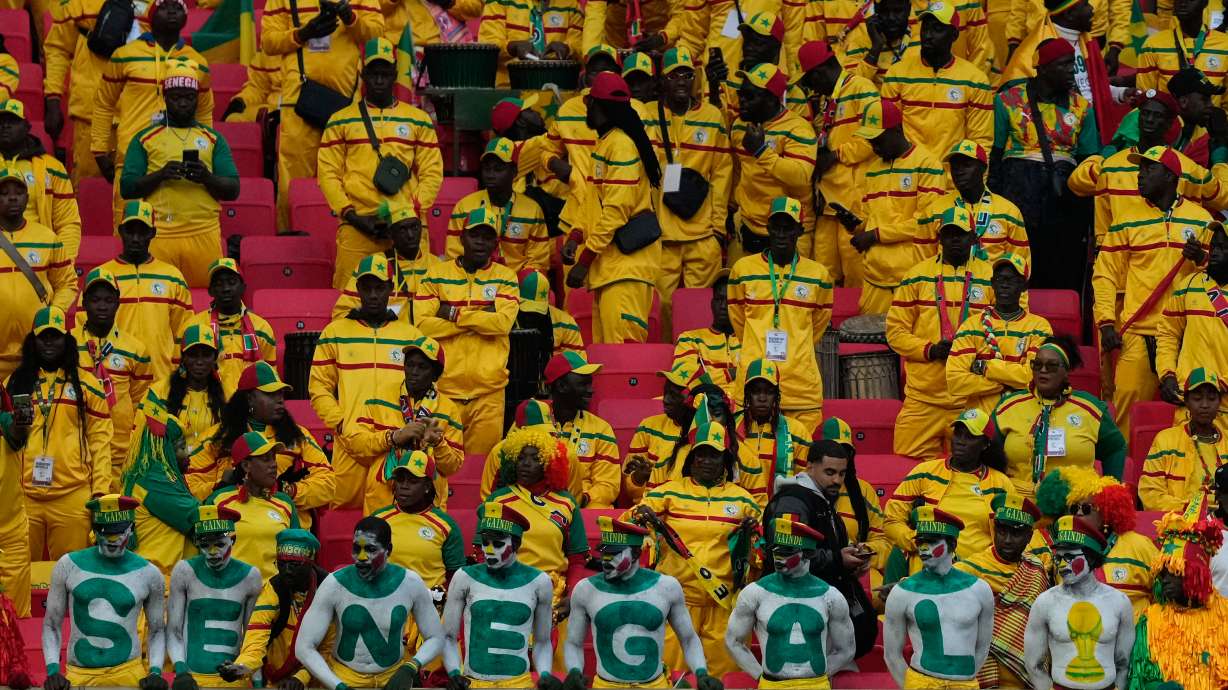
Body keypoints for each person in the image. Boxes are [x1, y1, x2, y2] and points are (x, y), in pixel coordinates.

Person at [1093, 145, 1216, 438]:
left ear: (1171, 176)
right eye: (1140, 168)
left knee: (1188, 415)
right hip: (1138, 332)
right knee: (1126, 415)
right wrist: (1106, 321)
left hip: (1185, 336)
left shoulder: (1200, 220)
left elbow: (1218, 275)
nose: (1140, 175)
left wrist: (1202, 258)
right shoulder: (1126, 219)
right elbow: (1105, 272)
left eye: (1149, 169)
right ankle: (1123, 470)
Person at [629, 422, 761, 678]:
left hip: (723, 606)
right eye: (701, 454)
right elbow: (631, 518)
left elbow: (761, 548)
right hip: (677, 605)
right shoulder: (668, 492)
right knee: (671, 678)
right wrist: (640, 515)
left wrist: (753, 534)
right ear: (691, 458)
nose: (706, 461)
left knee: (725, 682)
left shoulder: (743, 499)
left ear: (725, 459)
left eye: (714, 455)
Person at [319, 37, 442, 286]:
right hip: (358, 225)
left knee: (418, 296)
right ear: (362, 74)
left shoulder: (418, 119)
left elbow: (432, 172)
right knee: (351, 296)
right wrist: (352, 215)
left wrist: (407, 214)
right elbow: (327, 174)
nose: (378, 80)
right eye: (373, 73)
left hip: (408, 227)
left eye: (385, 74)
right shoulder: (340, 120)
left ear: (395, 74)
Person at [312, 253, 424, 509]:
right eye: (367, 287)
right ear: (358, 288)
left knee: (391, 512)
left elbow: (425, 387)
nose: (373, 295)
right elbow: (318, 386)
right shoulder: (335, 332)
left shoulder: (411, 336)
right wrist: (341, 423)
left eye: (379, 287)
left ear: (390, 288)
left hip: (395, 443)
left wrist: (410, 428)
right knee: (342, 510)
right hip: (350, 443)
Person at [261, 0, 384, 231]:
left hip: (346, 103)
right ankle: (289, 240)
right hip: (298, 102)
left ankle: (350, 236)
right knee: (293, 182)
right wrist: (303, 33)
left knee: (351, 179)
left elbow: (377, 33)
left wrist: (350, 18)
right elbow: (268, 41)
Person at [990, 39, 1099, 291]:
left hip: (1063, 194)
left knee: (1061, 264)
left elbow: (1089, 160)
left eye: (1072, 64)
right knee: (1021, 259)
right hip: (1018, 191)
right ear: (1044, 68)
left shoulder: (1082, 107)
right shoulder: (1008, 100)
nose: (1071, 71)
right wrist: (994, 198)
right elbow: (995, 154)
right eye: (1064, 65)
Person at [563, 71, 663, 344]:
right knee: (606, 353)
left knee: (623, 352)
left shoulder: (621, 146)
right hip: (612, 270)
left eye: (589, 102)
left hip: (626, 272)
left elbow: (616, 212)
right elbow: (593, 202)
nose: (586, 108)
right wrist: (576, 236)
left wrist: (584, 261)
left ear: (599, 107)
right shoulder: (607, 141)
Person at [887, 206, 994, 460]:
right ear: (939, 238)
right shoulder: (916, 276)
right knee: (906, 465)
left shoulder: (991, 277)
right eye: (949, 234)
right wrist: (930, 350)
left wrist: (972, 354)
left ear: (973, 238)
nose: (955, 240)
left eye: (961, 234)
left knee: (975, 469)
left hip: (972, 399)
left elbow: (1004, 331)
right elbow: (895, 331)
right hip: (924, 399)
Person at [563, 516, 719, 690]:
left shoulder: (666, 587)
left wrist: (701, 672)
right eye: (604, 552)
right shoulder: (586, 589)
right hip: (606, 685)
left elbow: (688, 639)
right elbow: (573, 642)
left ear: (636, 554)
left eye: (615, 554)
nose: (606, 559)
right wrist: (574, 671)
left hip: (655, 686)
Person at [120, 61, 239, 287]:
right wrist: (161, 175)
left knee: (207, 298)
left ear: (197, 98)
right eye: (176, 97)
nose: (183, 103)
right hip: (160, 234)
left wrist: (206, 177)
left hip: (204, 232)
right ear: (165, 97)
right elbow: (127, 187)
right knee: (159, 299)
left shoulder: (213, 139)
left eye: (189, 97)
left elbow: (233, 189)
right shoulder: (145, 138)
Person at [9, 306, 113, 560]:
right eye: (43, 337)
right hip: (23, 496)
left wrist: (100, 492)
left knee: (72, 574)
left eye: (55, 336)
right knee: (19, 571)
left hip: (72, 495)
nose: (49, 343)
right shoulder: (13, 384)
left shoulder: (87, 384)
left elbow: (100, 440)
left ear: (67, 340)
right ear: (32, 341)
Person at [765, 438, 881, 660]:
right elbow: (786, 557)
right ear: (810, 467)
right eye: (830, 472)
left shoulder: (821, 500)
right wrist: (838, 559)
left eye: (842, 473)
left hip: (817, 610)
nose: (837, 480)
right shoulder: (792, 501)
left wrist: (850, 559)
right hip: (798, 610)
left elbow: (823, 550)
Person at [296, 517, 445, 690]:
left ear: (388, 550)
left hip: (394, 679)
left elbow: (436, 637)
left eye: (370, 549)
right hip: (343, 677)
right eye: (356, 548)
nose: (361, 557)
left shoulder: (410, 583)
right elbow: (303, 647)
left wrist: (410, 667)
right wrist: (338, 686)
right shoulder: (334, 584)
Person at [92, 0, 214, 211]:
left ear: (186, 17)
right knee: (130, 225)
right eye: (165, 7)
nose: (172, 12)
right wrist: (99, 150)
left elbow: (204, 111)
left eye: (178, 8)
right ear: (151, 15)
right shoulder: (124, 55)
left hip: (178, 161)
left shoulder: (198, 62)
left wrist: (206, 154)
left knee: (171, 226)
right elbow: (104, 102)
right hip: (133, 156)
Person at [416, 207, 517, 455]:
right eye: (474, 235)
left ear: (496, 243)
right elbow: (422, 326)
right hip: (444, 390)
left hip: (489, 393)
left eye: (487, 236)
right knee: (438, 463)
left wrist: (454, 314)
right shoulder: (436, 275)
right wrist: (483, 316)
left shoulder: (506, 278)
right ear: (462, 238)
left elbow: (502, 324)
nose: (480, 242)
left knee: (480, 467)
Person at [1069, 90, 1224, 250]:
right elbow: (1077, 186)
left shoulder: (1188, 169)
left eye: (1157, 116)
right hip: (1121, 257)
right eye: (1145, 113)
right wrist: (1100, 159)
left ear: (1170, 123)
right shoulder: (1111, 166)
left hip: (1169, 258)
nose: (1149, 120)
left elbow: (1223, 196)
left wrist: (1220, 162)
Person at [41, 495, 168, 690]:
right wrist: (52, 671)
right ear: (94, 530)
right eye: (104, 531)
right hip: (79, 674)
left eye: (118, 532)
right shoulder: (68, 565)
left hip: (128, 673)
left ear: (131, 529)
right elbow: (51, 623)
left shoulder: (149, 573)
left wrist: (155, 671)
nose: (112, 539)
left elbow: (157, 629)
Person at [728, 195, 833, 431]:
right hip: (755, 386)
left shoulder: (819, 275)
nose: (782, 234)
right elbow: (738, 319)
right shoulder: (742, 270)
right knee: (752, 450)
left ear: (800, 230)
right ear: (768, 229)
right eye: (777, 227)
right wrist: (755, 346)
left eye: (789, 228)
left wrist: (797, 347)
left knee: (801, 452)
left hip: (801, 387)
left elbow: (818, 324)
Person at [189, 362, 335, 527]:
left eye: (281, 393)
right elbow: (189, 484)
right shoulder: (216, 439)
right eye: (271, 394)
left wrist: (289, 490)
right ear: (249, 398)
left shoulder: (298, 436)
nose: (280, 400)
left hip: (287, 532)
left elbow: (329, 482)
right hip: (234, 530)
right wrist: (223, 487)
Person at [651, 47, 733, 325]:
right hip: (662, 237)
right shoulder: (647, 115)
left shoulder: (711, 117)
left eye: (687, 75)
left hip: (702, 236)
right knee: (662, 309)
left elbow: (722, 174)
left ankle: (701, 351)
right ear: (662, 81)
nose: (682, 81)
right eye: (674, 75)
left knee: (701, 309)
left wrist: (718, 228)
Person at [842, 97, 946, 314]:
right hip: (873, 279)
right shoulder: (872, 170)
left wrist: (875, 235)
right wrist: (856, 226)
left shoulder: (927, 164)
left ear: (897, 130)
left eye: (878, 140)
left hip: (911, 278)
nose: (874, 147)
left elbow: (926, 224)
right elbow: (870, 220)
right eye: (870, 141)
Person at [726, 517, 857, 688]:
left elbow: (846, 649)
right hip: (772, 685)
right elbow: (733, 642)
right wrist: (760, 676)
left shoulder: (831, 596)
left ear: (808, 554)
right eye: (775, 550)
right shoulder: (755, 593)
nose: (779, 558)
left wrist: (817, 678)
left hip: (816, 685)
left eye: (787, 552)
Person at [991, 335, 1126, 497]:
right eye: (1037, 365)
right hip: (1018, 501)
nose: (1043, 370)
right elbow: (989, 451)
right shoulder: (1008, 406)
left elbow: (1115, 448)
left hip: (1073, 502)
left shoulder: (1091, 409)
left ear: (1066, 371)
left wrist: (1109, 492)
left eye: (1052, 366)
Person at [442, 504, 558, 690]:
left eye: (497, 544)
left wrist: (544, 674)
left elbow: (543, 642)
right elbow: (448, 637)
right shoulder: (464, 577)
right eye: (485, 542)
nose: (489, 550)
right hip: (474, 683)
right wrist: (455, 673)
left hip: (519, 685)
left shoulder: (539, 582)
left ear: (516, 544)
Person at [343, 335, 463, 512]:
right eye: (410, 364)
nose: (414, 371)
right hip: (382, 501)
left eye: (422, 367)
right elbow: (354, 444)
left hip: (428, 505)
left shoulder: (449, 410)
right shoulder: (378, 398)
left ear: (435, 374)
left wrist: (438, 443)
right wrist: (393, 437)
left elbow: (452, 467)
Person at [481, 425, 588, 618]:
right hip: (505, 590)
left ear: (549, 463)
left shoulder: (567, 502)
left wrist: (572, 594)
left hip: (553, 593)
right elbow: (481, 553)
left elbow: (577, 558)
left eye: (535, 459)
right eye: (521, 458)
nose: (526, 464)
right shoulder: (497, 500)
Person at [883, 505, 994, 689]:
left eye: (932, 542)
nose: (924, 548)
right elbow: (891, 654)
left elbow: (983, 647)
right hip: (921, 682)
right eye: (920, 542)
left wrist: (963, 679)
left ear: (953, 544)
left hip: (965, 684)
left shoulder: (979, 590)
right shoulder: (902, 592)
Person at [884, 409, 1014, 560]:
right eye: (958, 433)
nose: (960, 441)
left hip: (980, 566)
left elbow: (1016, 531)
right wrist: (917, 541)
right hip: (930, 562)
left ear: (985, 444)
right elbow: (892, 519)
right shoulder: (925, 472)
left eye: (970, 436)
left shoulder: (1000, 483)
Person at [798, 40, 879, 287]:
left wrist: (834, 155)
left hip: (852, 205)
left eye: (810, 80)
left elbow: (874, 137)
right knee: (824, 278)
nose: (811, 87)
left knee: (856, 277)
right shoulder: (827, 99)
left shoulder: (861, 88)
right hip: (827, 204)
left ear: (820, 71)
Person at [1024, 515, 1135, 690]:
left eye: (1069, 557)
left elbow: (1124, 664)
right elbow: (1033, 664)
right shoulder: (1045, 602)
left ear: (1091, 558)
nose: (1062, 565)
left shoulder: (1119, 602)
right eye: (1058, 558)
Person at [952, 495, 1052, 688]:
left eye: (1016, 534)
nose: (1007, 540)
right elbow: (934, 581)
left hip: (1029, 676)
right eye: (1002, 531)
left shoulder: (1036, 567)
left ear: (1029, 536)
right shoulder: (974, 567)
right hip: (987, 675)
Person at [1128, 497, 1228, 689]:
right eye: (1162, 573)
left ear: (1196, 575)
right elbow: (1140, 680)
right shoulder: (1150, 621)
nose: (1166, 580)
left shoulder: (1224, 617)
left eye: (1174, 572)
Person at [1036, 465, 1159, 617]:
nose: (1078, 513)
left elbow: (1163, 595)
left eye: (1086, 508)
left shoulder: (1139, 546)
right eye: (1074, 508)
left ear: (1106, 511)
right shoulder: (1064, 549)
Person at [43, 0, 143, 183]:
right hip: (91, 113)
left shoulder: (156, 5)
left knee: (139, 188)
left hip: (140, 114)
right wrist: (53, 99)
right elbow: (58, 48)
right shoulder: (77, 3)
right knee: (88, 189)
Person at [167, 505, 264, 690]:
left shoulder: (251, 576)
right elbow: (173, 630)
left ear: (232, 540)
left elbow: (252, 637)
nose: (212, 552)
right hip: (191, 679)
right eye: (205, 545)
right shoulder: (184, 571)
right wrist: (181, 672)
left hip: (234, 682)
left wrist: (258, 682)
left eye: (220, 544)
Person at [728, 63, 818, 260]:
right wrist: (731, 208)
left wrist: (761, 151)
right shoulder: (739, 126)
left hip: (788, 233)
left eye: (750, 96)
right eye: (741, 94)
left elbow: (800, 176)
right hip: (747, 226)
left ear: (771, 99)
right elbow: (738, 171)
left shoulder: (798, 129)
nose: (741, 101)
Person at [97, 200, 194, 381]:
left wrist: (176, 375)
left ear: (152, 233)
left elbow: (184, 331)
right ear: (120, 231)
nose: (135, 238)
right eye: (130, 231)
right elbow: (85, 329)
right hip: (114, 380)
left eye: (142, 232)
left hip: (161, 381)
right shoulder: (102, 276)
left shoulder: (172, 277)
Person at [73, 268, 152, 487]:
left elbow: (139, 401)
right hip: (78, 452)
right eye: (95, 300)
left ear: (117, 303)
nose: (102, 306)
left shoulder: (136, 349)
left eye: (108, 300)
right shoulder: (68, 345)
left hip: (120, 453)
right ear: (84, 303)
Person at [881, 3, 993, 158]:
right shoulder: (897, 74)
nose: (928, 35)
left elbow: (981, 142)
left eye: (937, 29)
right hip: (908, 170)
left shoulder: (975, 80)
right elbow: (889, 132)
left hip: (951, 172)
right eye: (925, 28)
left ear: (954, 35)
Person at [946, 253, 1053, 414]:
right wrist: (1005, 383)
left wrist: (985, 367)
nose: (1004, 285)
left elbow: (1034, 377)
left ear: (1024, 286)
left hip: (1023, 417)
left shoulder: (1039, 327)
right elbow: (955, 381)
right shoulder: (971, 326)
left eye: (1012, 280)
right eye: (1000, 279)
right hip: (980, 419)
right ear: (992, 284)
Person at [222, 529, 327, 688]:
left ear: (310, 563)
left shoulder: (327, 589)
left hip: (318, 679)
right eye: (281, 564)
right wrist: (244, 666)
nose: (287, 571)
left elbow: (328, 648)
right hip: (276, 681)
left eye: (294, 565)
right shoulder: (273, 590)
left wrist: (301, 677)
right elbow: (256, 635)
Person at [0, 166, 76, 383]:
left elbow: (67, 282)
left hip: (38, 352)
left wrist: (53, 314)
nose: (12, 198)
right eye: (4, 193)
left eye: (18, 192)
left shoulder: (47, 238)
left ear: (27, 198)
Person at [121, 388, 199, 576]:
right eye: (181, 447)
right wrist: (222, 489)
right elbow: (195, 516)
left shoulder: (145, 473)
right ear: (165, 449)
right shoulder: (155, 480)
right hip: (157, 578)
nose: (187, 453)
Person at [205, 431, 301, 582]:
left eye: (274, 458)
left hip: (275, 594)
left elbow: (297, 554)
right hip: (231, 592)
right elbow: (205, 554)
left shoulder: (285, 503)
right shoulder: (218, 501)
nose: (274, 464)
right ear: (246, 465)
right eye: (266, 459)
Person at [372, 449, 465, 603]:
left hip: (430, 608)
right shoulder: (378, 519)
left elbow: (456, 577)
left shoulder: (446, 526)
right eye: (400, 480)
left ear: (427, 486)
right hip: (384, 604)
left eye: (413, 481)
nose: (404, 486)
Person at [447, 137, 549, 274]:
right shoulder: (464, 207)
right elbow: (454, 256)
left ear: (514, 172)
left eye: (498, 169)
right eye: (487, 168)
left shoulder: (532, 210)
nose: (490, 175)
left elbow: (538, 261)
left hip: (516, 281)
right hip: (474, 279)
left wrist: (513, 281)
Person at [926, 139, 1029, 266]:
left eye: (966, 165)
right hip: (946, 279)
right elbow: (924, 264)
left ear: (983, 168)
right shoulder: (935, 211)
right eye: (955, 166)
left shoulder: (1009, 212)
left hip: (991, 278)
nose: (959, 172)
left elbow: (1020, 264)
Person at [183, 259, 277, 395]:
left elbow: (270, 379)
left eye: (232, 282)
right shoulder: (193, 327)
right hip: (208, 404)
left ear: (243, 287)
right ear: (210, 291)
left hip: (248, 405)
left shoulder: (262, 328)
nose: (226, 289)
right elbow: (182, 375)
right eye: (219, 284)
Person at [333, 202, 439, 323]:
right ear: (391, 233)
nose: (410, 235)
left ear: (421, 228)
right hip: (388, 333)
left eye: (414, 227)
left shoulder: (437, 265)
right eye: (402, 230)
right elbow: (341, 314)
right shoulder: (373, 264)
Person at [0, 99, 80, 257]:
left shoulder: (53, 168)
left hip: (39, 258)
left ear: (27, 127)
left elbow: (68, 223)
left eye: (13, 121)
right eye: (1, 122)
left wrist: (63, 263)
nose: (5, 126)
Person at [1140, 368, 1228, 511]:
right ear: (1186, 401)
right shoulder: (1165, 440)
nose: (1205, 405)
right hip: (1177, 521)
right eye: (1197, 398)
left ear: (1219, 402)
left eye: (1212, 398)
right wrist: (1191, 509)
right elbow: (1150, 494)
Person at [1158, 222, 1228, 398]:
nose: (1214, 253)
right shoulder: (1188, 285)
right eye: (1213, 246)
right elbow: (1168, 332)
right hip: (1190, 397)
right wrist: (1168, 374)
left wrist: (1220, 385)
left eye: (1223, 248)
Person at [623, 358, 702, 503]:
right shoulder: (648, 426)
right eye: (665, 393)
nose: (665, 400)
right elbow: (631, 491)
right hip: (650, 507)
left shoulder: (706, 434)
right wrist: (638, 479)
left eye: (674, 395)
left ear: (694, 400)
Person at [733, 358, 811, 505]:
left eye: (769, 392)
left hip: (780, 509)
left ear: (776, 395)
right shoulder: (731, 428)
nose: (762, 398)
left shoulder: (797, 432)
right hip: (738, 510)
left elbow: (805, 481)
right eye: (756, 392)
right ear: (747, 394)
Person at [477, 0, 582, 87]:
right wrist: (511, 47)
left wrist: (568, 48)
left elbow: (581, 48)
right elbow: (487, 47)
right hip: (508, 89)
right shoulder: (499, 2)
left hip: (558, 89)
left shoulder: (572, 5)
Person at [1137, 0, 1228, 97]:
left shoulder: (1225, 44)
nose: (1182, 2)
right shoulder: (1153, 45)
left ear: (1204, 2)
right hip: (1168, 107)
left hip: (1211, 107)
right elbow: (1146, 97)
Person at [672, 272, 740, 402]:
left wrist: (710, 377)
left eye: (729, 300)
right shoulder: (689, 339)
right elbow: (685, 381)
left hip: (743, 406)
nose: (723, 306)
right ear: (711, 303)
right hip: (704, 406)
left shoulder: (750, 340)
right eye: (718, 299)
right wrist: (731, 373)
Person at [158, 324, 226, 453]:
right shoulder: (160, 392)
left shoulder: (227, 393)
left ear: (215, 358)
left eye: (206, 355)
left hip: (211, 465)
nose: (199, 362)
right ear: (183, 358)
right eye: (193, 355)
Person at [0, 381, 31, 618]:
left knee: (15, 617)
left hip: (10, 538)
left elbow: (17, 433)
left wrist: (22, 420)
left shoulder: (4, 422)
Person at [518, 269, 585, 358]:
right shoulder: (504, 321)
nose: (533, 315)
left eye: (538, 310)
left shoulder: (566, 323)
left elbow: (578, 363)